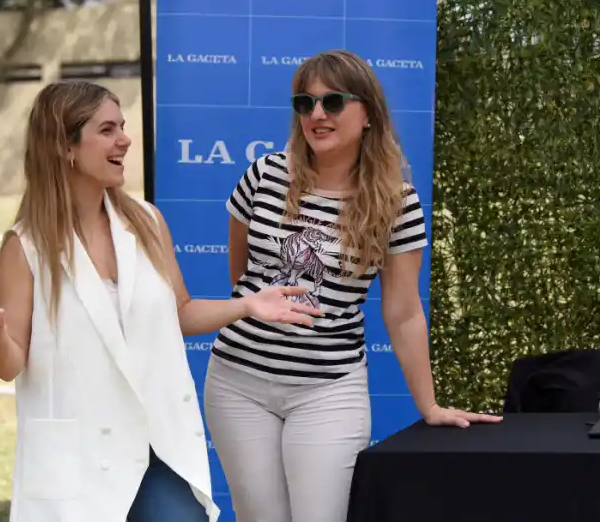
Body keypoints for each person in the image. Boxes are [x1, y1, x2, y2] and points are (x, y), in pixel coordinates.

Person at [0, 80, 322, 522]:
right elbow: (10, 363)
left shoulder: (146, 221)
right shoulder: (25, 246)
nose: (125, 140)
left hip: (159, 447)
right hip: (79, 457)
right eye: (107, 130)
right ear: (64, 146)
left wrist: (247, 305)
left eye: (122, 127)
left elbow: (180, 313)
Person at [203, 49, 503, 522]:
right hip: (237, 383)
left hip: (327, 391)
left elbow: (403, 312)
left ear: (367, 114)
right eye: (305, 103)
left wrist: (428, 405)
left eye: (333, 101)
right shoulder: (264, 174)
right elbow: (242, 277)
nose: (317, 114)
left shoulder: (397, 202)